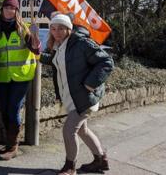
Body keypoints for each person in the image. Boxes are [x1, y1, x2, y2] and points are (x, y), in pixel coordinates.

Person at [40, 13, 114, 175]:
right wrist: (36, 54)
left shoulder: (80, 43)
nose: (56, 32)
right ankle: (100, 160)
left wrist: (90, 84)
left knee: (69, 130)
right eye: (53, 28)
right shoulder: (60, 45)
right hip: (72, 96)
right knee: (82, 130)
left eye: (61, 28)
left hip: (84, 97)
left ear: (69, 28)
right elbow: (54, 61)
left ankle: (69, 167)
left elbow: (106, 62)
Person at [0, 0, 40, 161]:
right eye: (6, 7)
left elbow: (36, 51)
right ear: (2, 10)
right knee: (4, 109)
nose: (9, 10)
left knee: (13, 108)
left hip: (21, 76)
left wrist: (35, 38)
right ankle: (9, 142)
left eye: (12, 8)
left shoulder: (24, 29)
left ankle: (13, 146)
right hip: (3, 77)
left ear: (16, 11)